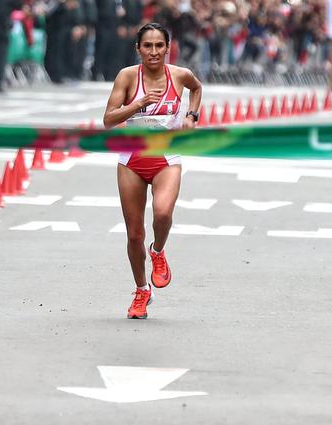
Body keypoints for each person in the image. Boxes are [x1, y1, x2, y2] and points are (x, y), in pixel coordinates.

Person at [103, 22, 202, 319]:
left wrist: (191, 115)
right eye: (148, 46)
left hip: (165, 157)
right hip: (132, 160)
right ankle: (142, 290)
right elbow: (108, 119)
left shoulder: (180, 75)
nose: (154, 52)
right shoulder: (128, 77)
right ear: (138, 49)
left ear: (168, 48)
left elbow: (197, 89)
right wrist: (138, 104)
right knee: (134, 235)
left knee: (162, 213)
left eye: (160, 46)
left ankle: (158, 251)